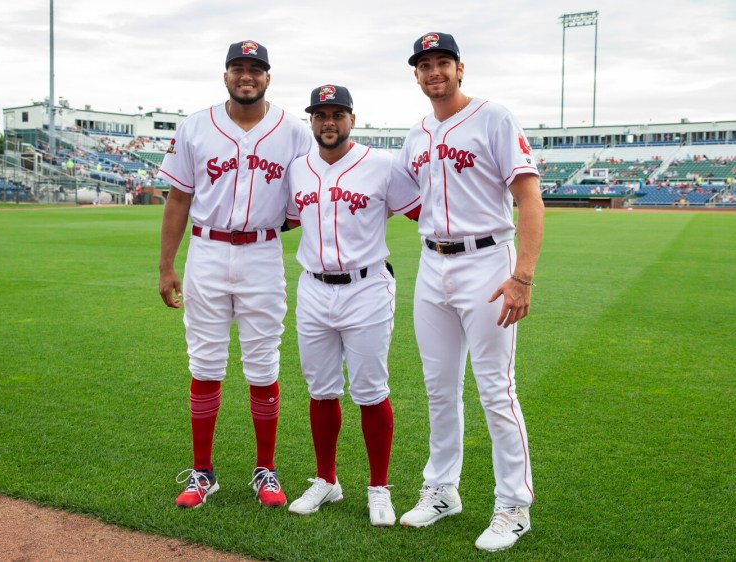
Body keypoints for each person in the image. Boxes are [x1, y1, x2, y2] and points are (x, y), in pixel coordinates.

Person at [397, 32, 545, 552]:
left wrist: (522, 275)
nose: (433, 71)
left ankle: (514, 505)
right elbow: (395, 195)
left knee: (495, 389)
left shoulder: (494, 117)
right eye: (424, 65)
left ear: (461, 69)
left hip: (488, 261)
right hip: (432, 264)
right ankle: (442, 489)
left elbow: (529, 197)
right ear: (415, 76)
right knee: (439, 388)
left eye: (442, 62)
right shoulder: (415, 134)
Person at [157, 39, 314, 510]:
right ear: (225, 75)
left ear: (268, 76)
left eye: (256, 68)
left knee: (264, 364)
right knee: (204, 362)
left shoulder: (294, 131)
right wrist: (166, 265)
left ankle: (265, 468)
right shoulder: (195, 126)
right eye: (237, 68)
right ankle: (202, 471)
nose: (246, 75)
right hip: (206, 251)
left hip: (262, 255)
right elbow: (178, 199)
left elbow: (306, 199)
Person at [284, 85, 421, 527]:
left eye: (337, 113)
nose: (329, 122)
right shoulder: (298, 169)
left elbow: (422, 210)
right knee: (321, 388)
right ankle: (327, 480)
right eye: (321, 114)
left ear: (352, 119)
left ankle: (379, 488)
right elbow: (285, 217)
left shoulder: (381, 165)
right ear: (311, 121)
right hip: (313, 286)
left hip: (366, 287)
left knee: (370, 390)